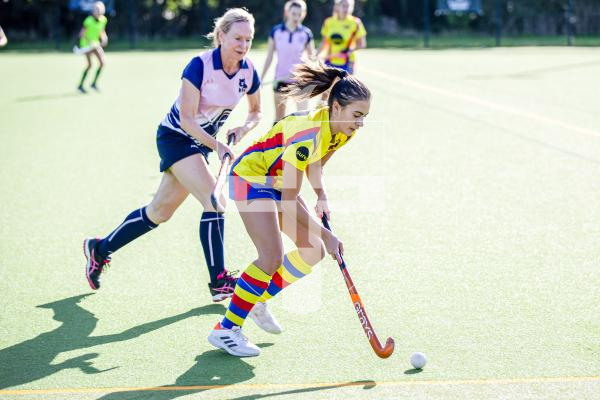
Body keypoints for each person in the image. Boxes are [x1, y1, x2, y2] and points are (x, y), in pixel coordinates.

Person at [83, 8, 264, 306]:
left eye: (248, 39)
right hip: (176, 138)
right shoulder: (199, 66)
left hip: (200, 144)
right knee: (215, 201)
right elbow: (187, 121)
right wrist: (217, 146)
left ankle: (99, 249)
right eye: (237, 38)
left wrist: (242, 128)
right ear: (221, 35)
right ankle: (218, 281)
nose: (243, 45)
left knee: (159, 212)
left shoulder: (248, 71)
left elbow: (256, 111)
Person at [207, 61, 371, 357]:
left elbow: (315, 164)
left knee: (312, 250)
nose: (360, 123)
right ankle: (227, 329)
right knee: (271, 256)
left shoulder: (344, 131)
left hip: (278, 182)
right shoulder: (306, 134)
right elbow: (288, 197)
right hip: (250, 178)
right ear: (335, 108)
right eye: (356, 115)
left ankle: (256, 297)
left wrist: (321, 194)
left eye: (364, 117)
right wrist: (326, 234)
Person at [260, 0, 315, 122]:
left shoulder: (306, 33)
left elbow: (312, 59)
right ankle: (277, 141)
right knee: (279, 119)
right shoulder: (276, 32)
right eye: (294, 13)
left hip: (300, 80)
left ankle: (302, 141)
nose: (296, 17)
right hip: (280, 80)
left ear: (304, 14)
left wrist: (304, 71)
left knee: (303, 117)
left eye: (299, 14)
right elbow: (269, 57)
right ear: (287, 12)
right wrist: (261, 78)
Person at [318, 0, 367, 74]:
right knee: (330, 85)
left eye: (349, 6)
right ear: (338, 7)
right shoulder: (328, 22)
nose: (347, 9)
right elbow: (324, 42)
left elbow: (362, 44)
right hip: (330, 61)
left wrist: (349, 50)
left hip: (348, 62)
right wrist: (316, 55)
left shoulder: (356, 22)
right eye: (344, 6)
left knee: (346, 85)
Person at [76, 1, 109, 92]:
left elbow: (101, 31)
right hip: (86, 45)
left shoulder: (103, 20)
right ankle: (80, 86)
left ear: (103, 10)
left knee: (102, 63)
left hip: (95, 44)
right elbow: (81, 34)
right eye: (95, 9)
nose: (97, 11)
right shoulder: (88, 20)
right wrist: (90, 42)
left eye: (99, 9)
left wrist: (104, 38)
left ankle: (93, 83)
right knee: (90, 65)